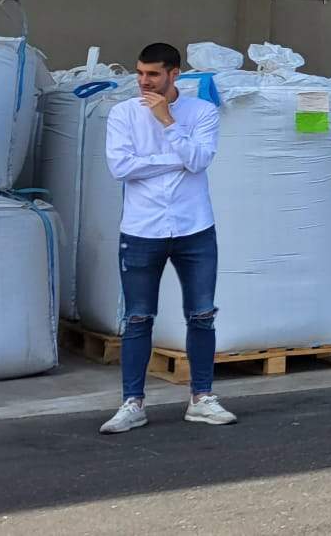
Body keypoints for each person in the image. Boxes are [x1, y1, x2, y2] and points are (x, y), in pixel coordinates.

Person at [99, 42, 235, 434]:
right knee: (138, 317)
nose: (144, 82)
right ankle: (132, 403)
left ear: (175, 74)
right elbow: (121, 167)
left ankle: (201, 399)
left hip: (195, 228)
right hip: (142, 229)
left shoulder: (202, 112)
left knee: (202, 314)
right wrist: (175, 157)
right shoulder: (123, 113)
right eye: (140, 73)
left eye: (153, 74)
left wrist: (167, 123)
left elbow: (199, 160)